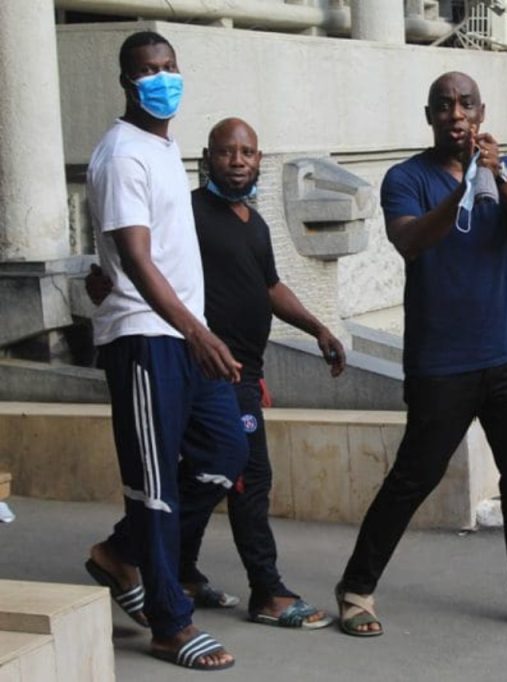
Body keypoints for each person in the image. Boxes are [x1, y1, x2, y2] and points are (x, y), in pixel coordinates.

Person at [334, 72, 507, 637]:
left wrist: (497, 172)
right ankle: (356, 587)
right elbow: (408, 241)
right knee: (414, 477)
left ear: (481, 111)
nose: (456, 114)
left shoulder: (506, 169)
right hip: (441, 364)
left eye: (466, 104)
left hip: (505, 357)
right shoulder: (406, 178)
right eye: (444, 106)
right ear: (429, 115)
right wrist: (462, 188)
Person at [89, 117, 346, 629]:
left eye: (247, 152)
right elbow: (138, 254)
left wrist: (318, 327)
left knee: (213, 467)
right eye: (226, 152)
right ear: (207, 158)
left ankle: (168, 565)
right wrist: (106, 281)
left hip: (242, 370)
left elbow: (270, 287)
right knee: (247, 476)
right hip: (201, 362)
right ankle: (268, 592)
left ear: (259, 159)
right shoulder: (189, 212)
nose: (237, 161)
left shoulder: (254, 223)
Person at [83, 31, 246, 670]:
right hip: (145, 338)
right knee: (153, 485)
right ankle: (168, 624)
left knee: (221, 451)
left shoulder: (162, 147)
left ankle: (123, 554)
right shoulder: (122, 154)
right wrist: (198, 331)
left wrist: (196, 330)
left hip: (182, 334)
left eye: (169, 66)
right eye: (148, 70)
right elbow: (135, 258)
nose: (162, 78)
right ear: (128, 81)